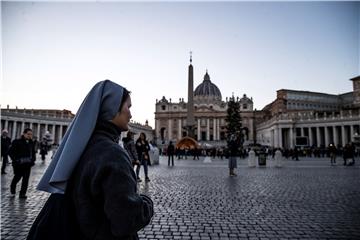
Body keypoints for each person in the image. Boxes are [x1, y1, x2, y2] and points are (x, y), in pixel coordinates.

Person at [34, 80, 153, 239]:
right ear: (112, 109)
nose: (130, 114)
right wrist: (146, 203)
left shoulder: (81, 146)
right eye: (128, 107)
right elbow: (127, 220)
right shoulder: (112, 154)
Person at [8, 128, 36, 198]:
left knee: (26, 180)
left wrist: (33, 160)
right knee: (17, 178)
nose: (30, 136)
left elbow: (33, 152)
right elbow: (10, 152)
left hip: (27, 164)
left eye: (31, 134)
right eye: (28, 134)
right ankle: (12, 190)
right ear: (24, 134)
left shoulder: (31, 142)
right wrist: (15, 160)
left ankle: (22, 194)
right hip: (19, 164)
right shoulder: (16, 141)